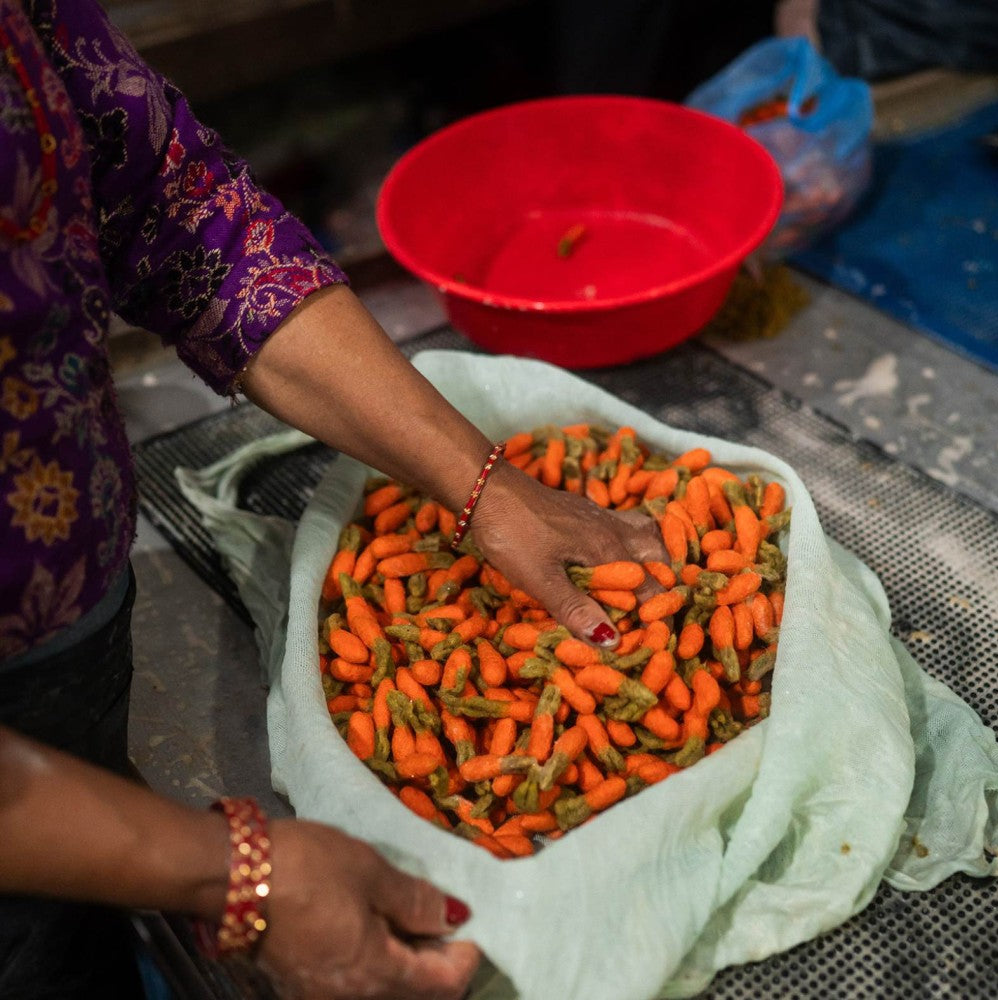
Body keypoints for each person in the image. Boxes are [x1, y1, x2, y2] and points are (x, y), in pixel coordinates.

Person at [0, 2, 668, 998]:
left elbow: (170, 207)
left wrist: (478, 482)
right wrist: (235, 874)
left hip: (72, 599)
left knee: (77, 952)